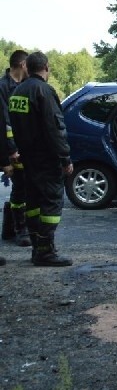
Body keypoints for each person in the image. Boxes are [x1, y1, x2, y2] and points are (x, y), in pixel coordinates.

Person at [8, 52, 73, 266]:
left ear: (28, 67)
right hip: (46, 159)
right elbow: (55, 128)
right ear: (47, 67)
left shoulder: (17, 91)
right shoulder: (44, 91)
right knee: (52, 203)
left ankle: (37, 248)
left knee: (33, 203)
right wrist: (65, 158)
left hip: (27, 158)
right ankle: (46, 251)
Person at [0, 49, 31, 247]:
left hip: (25, 148)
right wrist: (10, 153)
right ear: (22, 65)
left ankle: (10, 229)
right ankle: (21, 230)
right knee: (20, 188)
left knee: (26, 187)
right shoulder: (3, 87)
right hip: (13, 150)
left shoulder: (25, 86)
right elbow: (4, 123)